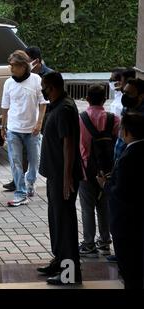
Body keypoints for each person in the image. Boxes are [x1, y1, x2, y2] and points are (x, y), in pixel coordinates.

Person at [37, 72, 82, 285]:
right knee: (56, 221)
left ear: (53, 87)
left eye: (44, 87)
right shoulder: (58, 104)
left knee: (65, 226)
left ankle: (70, 274)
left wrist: (66, 178)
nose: (43, 91)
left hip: (62, 177)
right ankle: (60, 260)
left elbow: (69, 144)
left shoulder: (64, 108)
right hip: (54, 175)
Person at [98, 112, 144, 289]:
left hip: (126, 222)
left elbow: (122, 192)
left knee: (129, 268)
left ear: (127, 132)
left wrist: (105, 184)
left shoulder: (129, 156)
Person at [2, 46, 54, 192]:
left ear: (24, 66)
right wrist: (3, 126)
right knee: (15, 161)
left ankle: (30, 181)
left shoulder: (36, 80)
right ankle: (20, 188)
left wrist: (39, 123)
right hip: (13, 128)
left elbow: (43, 103)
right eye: (10, 65)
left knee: (34, 160)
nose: (11, 68)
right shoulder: (8, 83)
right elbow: (5, 106)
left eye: (15, 65)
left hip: (32, 129)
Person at [78, 85, 120, 257]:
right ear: (104, 99)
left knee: (87, 208)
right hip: (108, 171)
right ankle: (104, 241)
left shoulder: (80, 119)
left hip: (86, 169)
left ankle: (88, 244)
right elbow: (119, 145)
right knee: (104, 206)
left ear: (87, 98)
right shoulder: (114, 119)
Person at [113, 78, 144, 161]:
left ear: (141, 96)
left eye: (129, 93)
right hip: (120, 158)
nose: (125, 96)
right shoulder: (127, 107)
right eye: (124, 92)